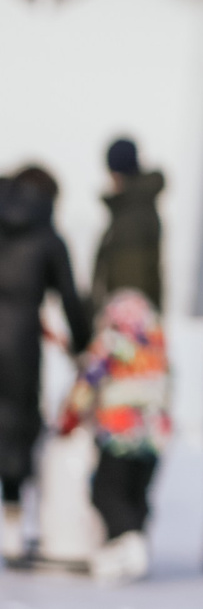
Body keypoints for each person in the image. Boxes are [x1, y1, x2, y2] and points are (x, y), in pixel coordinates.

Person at [0, 167, 91, 566]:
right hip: (20, 345)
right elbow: (71, 298)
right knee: (17, 428)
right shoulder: (48, 237)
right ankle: (12, 525)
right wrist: (84, 346)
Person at [68, 288, 170, 584]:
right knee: (137, 494)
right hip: (153, 437)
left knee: (106, 492)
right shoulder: (156, 346)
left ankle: (128, 542)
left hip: (119, 432)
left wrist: (71, 415)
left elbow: (89, 379)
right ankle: (131, 545)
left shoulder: (113, 342)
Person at [90, 139, 164, 315]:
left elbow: (130, 291)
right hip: (131, 325)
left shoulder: (132, 217)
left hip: (129, 330)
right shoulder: (131, 210)